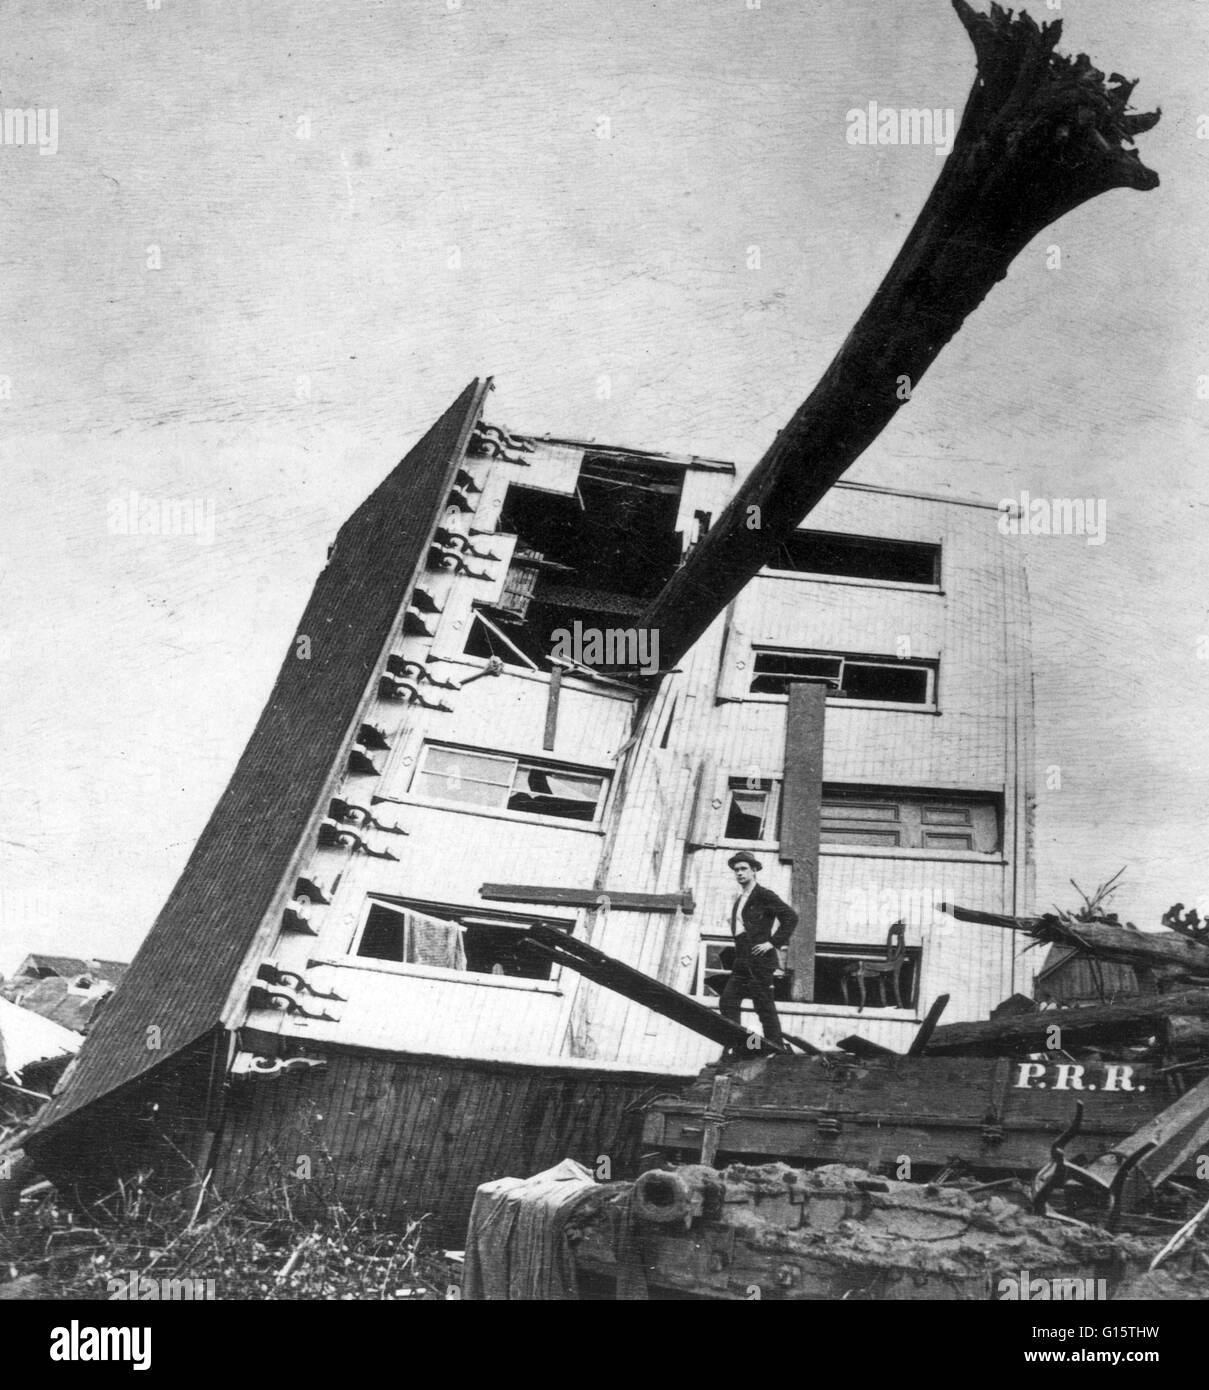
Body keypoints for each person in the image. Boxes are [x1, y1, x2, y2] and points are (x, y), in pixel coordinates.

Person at [718, 852, 798, 1050]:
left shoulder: (764, 895)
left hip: (760, 961)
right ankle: (739, 1046)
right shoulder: (740, 899)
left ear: (754, 871)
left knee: (764, 1008)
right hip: (741, 959)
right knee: (727, 1002)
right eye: (736, 870)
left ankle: (777, 1050)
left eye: (744, 869)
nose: (739, 873)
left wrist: (772, 942)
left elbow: (790, 917)